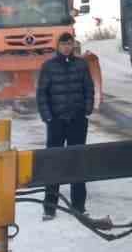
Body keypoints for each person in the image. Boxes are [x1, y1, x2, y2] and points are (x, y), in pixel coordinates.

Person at [35, 33, 94, 219]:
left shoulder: (81, 65)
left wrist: (87, 110)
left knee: (78, 162)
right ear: (58, 46)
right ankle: (49, 208)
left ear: (73, 46)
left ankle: (79, 207)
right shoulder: (48, 66)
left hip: (77, 120)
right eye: (63, 44)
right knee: (54, 163)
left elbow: (89, 88)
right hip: (57, 122)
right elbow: (41, 94)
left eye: (70, 44)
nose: (67, 47)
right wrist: (48, 118)